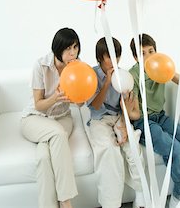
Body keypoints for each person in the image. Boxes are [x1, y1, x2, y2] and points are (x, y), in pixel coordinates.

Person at [129, 33, 180, 208]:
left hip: (161, 116)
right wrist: (127, 106)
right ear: (136, 57)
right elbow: (134, 114)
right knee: (178, 153)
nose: (149, 56)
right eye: (143, 53)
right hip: (144, 122)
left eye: (151, 51)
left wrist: (170, 73)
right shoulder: (133, 75)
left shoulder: (161, 69)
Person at [21, 27, 80, 208]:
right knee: (58, 134)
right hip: (35, 118)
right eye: (68, 48)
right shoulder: (41, 65)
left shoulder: (78, 67)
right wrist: (55, 97)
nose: (73, 53)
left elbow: (81, 104)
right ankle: (66, 201)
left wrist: (79, 98)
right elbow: (38, 104)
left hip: (62, 118)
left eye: (75, 47)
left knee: (43, 158)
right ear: (57, 49)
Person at [86, 36, 145, 208]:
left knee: (133, 145)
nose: (114, 61)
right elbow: (95, 105)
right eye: (109, 57)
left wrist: (124, 125)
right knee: (109, 150)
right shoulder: (92, 74)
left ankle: (140, 194)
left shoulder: (123, 75)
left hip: (119, 116)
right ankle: (111, 204)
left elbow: (130, 108)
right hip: (99, 119)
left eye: (117, 56)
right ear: (100, 58)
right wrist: (106, 83)